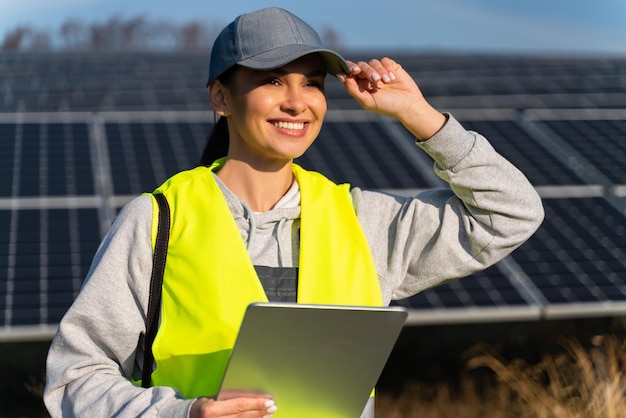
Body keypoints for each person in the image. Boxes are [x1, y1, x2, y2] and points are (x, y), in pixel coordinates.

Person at [43, 7, 544, 418]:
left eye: (312, 84)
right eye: (273, 81)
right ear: (221, 97)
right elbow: (75, 379)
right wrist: (185, 413)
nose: (297, 103)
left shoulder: (362, 220)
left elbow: (511, 213)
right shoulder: (155, 221)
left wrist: (421, 117)